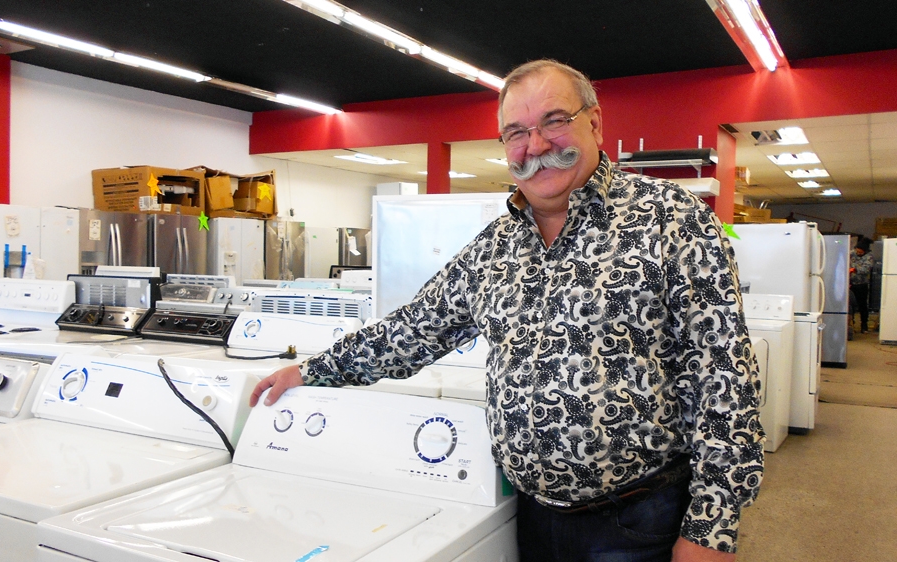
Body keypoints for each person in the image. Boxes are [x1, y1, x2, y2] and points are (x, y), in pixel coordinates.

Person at [251, 59, 764, 562]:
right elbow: (412, 330)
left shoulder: (672, 218)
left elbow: (724, 378)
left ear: (594, 123)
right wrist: (312, 370)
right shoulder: (494, 247)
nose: (535, 146)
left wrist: (711, 528)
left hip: (639, 519)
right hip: (530, 517)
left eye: (554, 121)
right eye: (516, 132)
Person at [850, 236, 874, 334]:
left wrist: (855, 270)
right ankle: (851, 324)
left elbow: (866, 269)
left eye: (860, 252)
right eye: (857, 251)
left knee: (862, 305)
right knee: (850, 305)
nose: (858, 253)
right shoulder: (851, 253)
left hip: (861, 284)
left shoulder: (869, 257)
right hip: (850, 284)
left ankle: (864, 325)